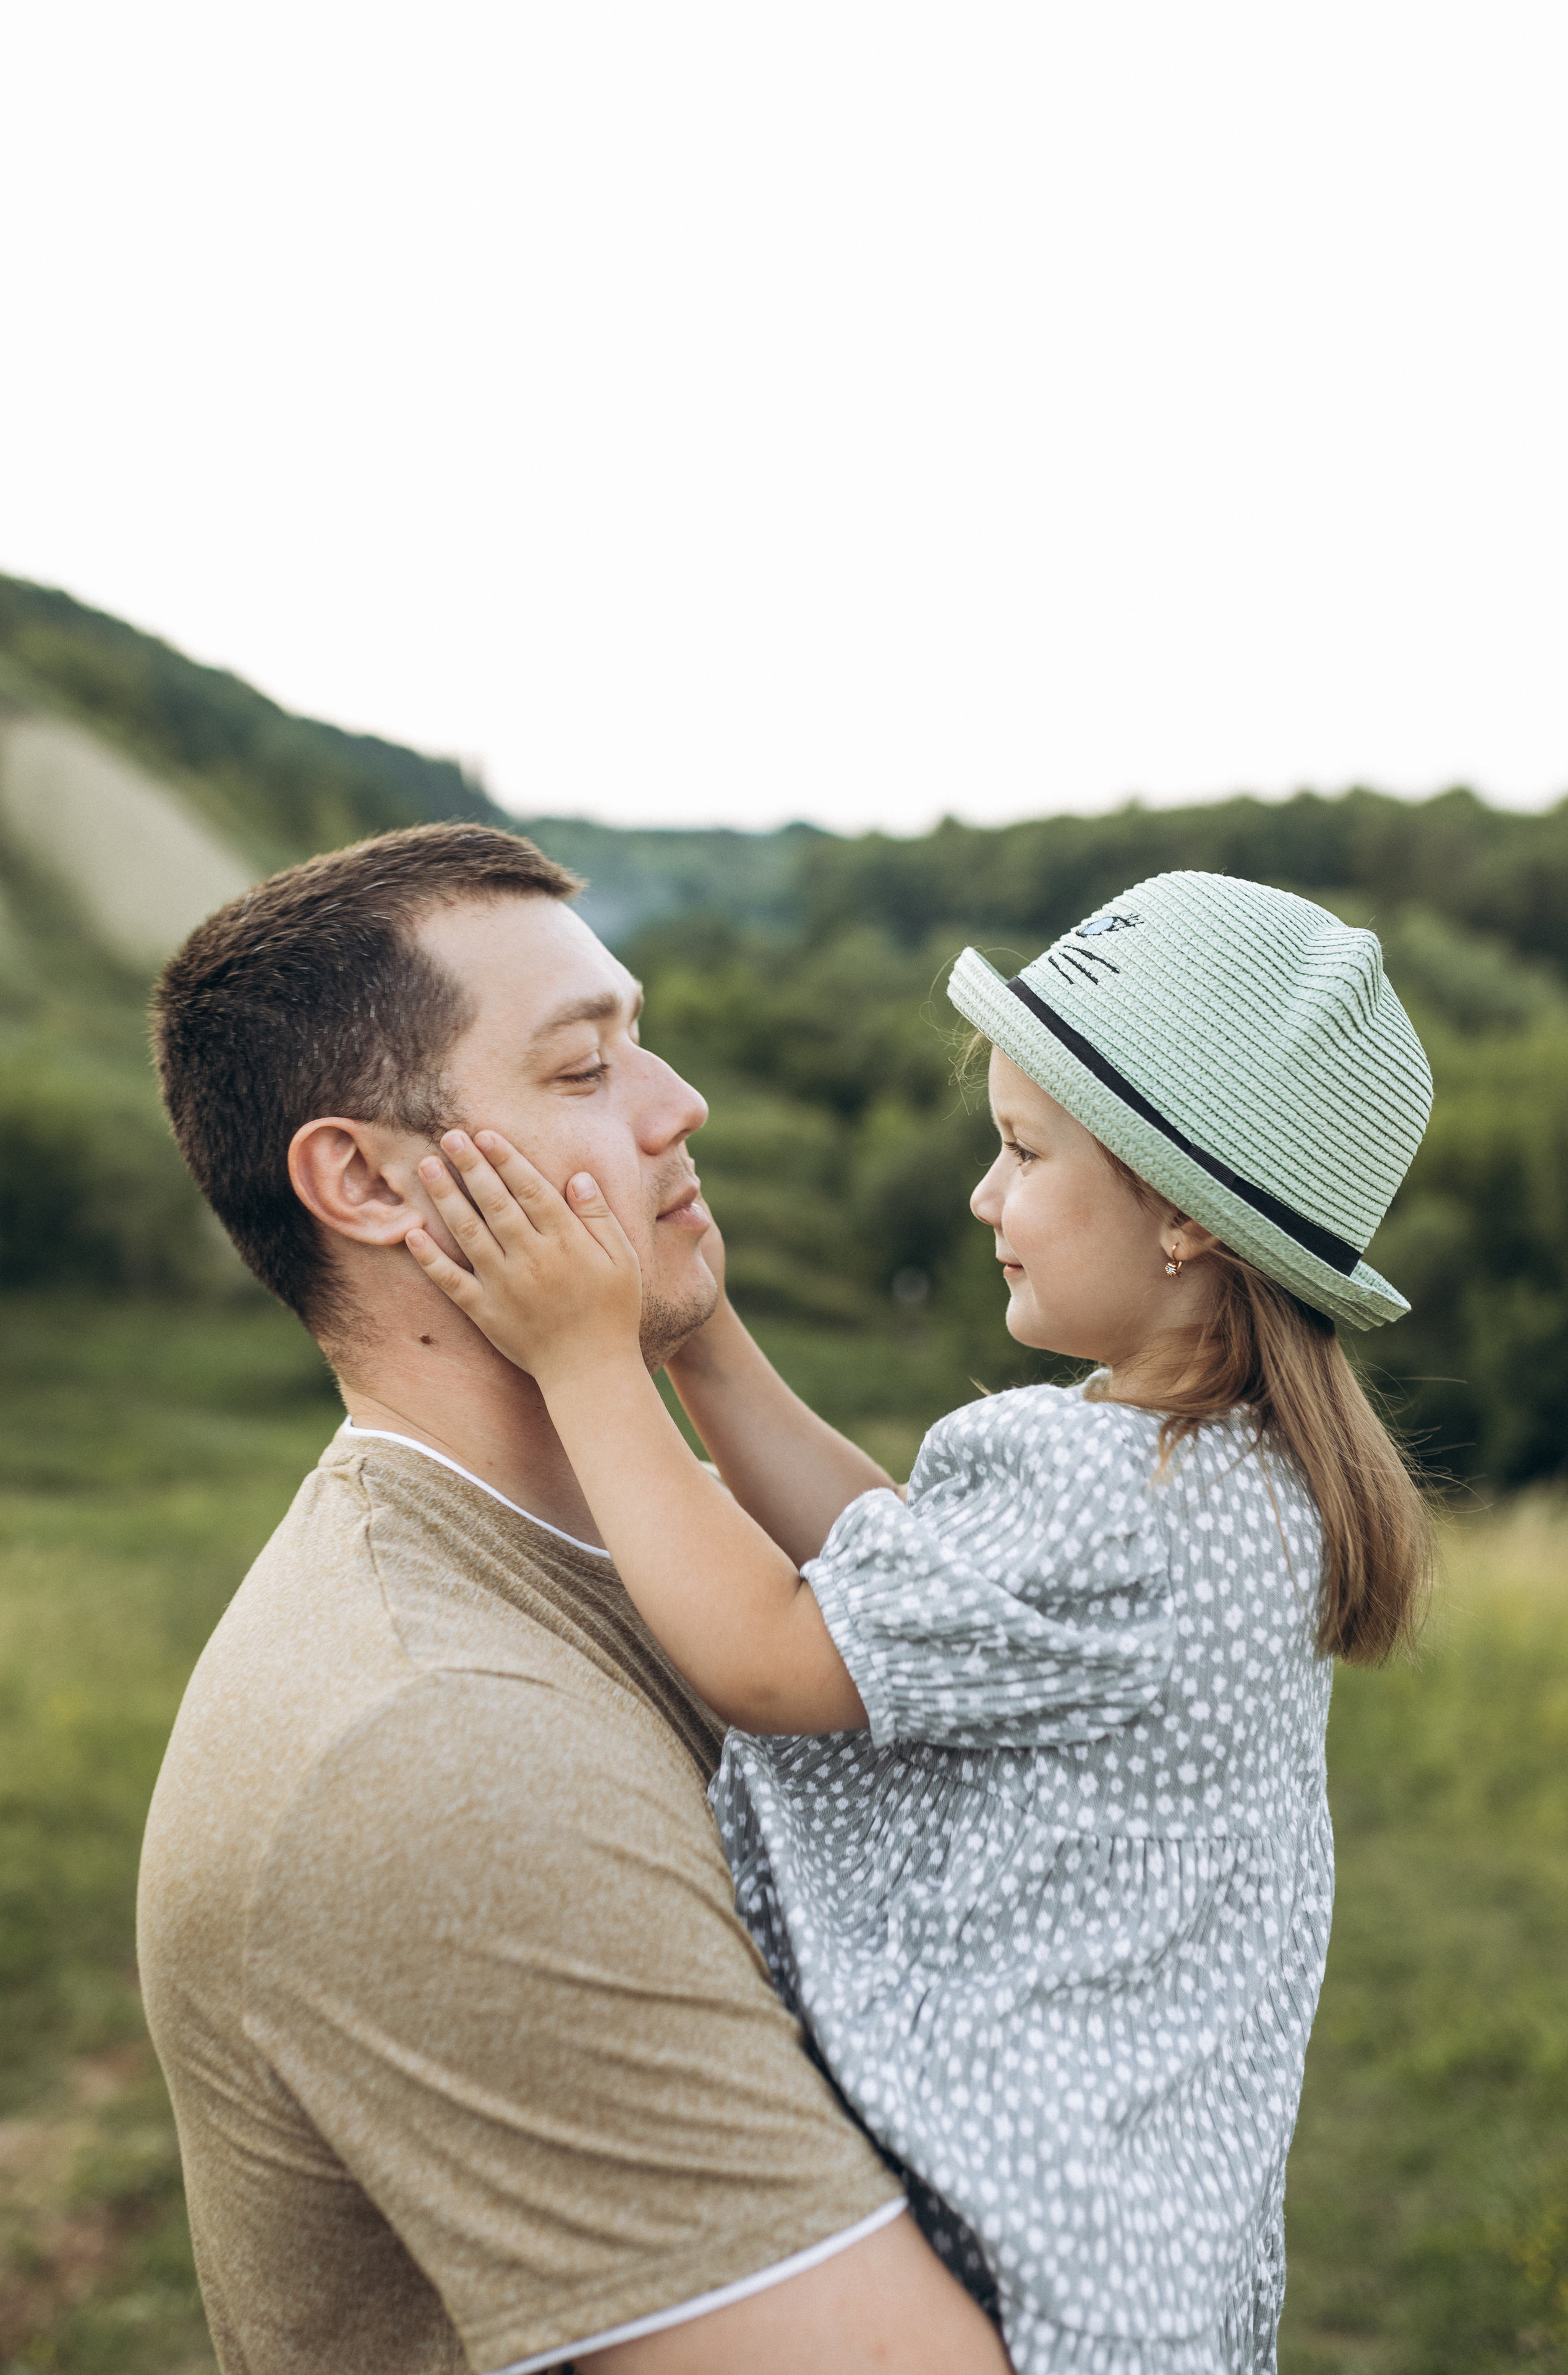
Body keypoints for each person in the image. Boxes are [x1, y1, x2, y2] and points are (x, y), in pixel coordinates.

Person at [403, 869, 1439, 2375]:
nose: (983, 1195)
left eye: (1021, 1152)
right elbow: (901, 1569)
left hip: (1021, 2251)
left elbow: (770, 1656)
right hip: (1147, 2254)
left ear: (1181, 1222)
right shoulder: (1222, 1472)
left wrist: (586, 1362)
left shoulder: (1110, 1485)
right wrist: (698, 1340)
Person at [137, 823, 1011, 2375]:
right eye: (579, 1069)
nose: (680, 1105)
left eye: (642, 1039)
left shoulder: (655, 1562)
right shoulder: (435, 1751)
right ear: (365, 1181)